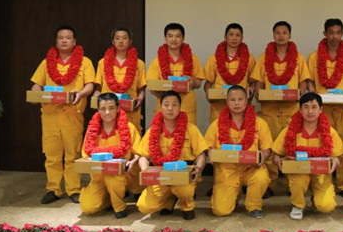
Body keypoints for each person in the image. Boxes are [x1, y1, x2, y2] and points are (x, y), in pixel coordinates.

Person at [30, 25, 95, 205]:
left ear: (74, 41)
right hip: (50, 115)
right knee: (52, 155)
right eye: (60, 38)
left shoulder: (85, 62)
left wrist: (81, 93)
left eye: (68, 38)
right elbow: (37, 84)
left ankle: (74, 189)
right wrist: (35, 92)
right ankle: (53, 189)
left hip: (72, 115)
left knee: (73, 154)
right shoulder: (46, 62)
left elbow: (90, 85)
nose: (64, 41)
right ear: (56, 41)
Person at [251, 21, 311, 196]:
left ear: (290, 35)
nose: (281, 36)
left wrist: (299, 93)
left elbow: (303, 81)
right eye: (278, 32)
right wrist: (259, 93)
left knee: (291, 148)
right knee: (269, 148)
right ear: (273, 35)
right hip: (269, 110)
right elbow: (259, 81)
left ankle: (291, 183)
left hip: (291, 111)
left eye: (284, 32)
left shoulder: (298, 58)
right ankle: (269, 184)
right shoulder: (264, 57)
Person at [307, 18, 343, 199]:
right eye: (331, 32)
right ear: (325, 34)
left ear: (342, 34)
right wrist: (313, 102)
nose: (334, 36)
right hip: (323, 111)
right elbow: (310, 82)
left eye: (338, 32)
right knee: (323, 145)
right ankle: (322, 182)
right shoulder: (314, 56)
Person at [136, 91, 208, 220]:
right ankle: (169, 200)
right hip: (161, 178)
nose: (170, 108)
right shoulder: (152, 131)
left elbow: (201, 154)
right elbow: (143, 156)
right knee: (144, 207)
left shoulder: (191, 129)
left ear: (180, 107)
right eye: (166, 105)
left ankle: (187, 206)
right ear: (161, 107)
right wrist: (145, 170)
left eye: (174, 105)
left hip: (183, 178)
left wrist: (199, 168)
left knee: (184, 191)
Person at [204, 85, 273, 218]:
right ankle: (234, 196)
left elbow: (267, 148)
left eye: (240, 99)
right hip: (227, 171)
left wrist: (263, 156)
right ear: (227, 102)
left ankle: (254, 206)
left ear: (246, 101)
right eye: (233, 100)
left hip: (251, 168)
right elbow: (207, 146)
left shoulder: (259, 123)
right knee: (221, 211)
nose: (236, 103)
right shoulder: (216, 124)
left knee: (261, 177)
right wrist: (209, 153)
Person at [271, 93, 342, 220]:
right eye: (306, 107)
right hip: (298, 172)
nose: (310, 111)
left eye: (314, 107)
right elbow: (276, 155)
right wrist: (279, 162)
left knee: (326, 206)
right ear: (300, 110)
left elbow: (337, 157)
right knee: (299, 180)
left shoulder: (329, 131)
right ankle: (297, 205)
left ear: (321, 109)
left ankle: (316, 198)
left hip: (321, 174)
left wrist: (335, 162)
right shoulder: (289, 130)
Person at [79, 93, 141, 218]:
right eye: (103, 109)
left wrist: (133, 162)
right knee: (88, 207)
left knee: (112, 178)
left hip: (122, 174)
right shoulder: (92, 130)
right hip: (99, 177)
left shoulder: (129, 128)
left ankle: (119, 207)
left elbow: (139, 152)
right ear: (98, 110)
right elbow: (85, 153)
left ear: (118, 108)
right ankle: (108, 197)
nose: (107, 112)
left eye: (111, 108)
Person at [146, 23, 205, 125]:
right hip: (165, 108)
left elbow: (199, 83)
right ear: (165, 38)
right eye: (170, 36)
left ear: (183, 38)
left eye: (177, 36)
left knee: (188, 133)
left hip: (187, 107)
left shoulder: (193, 58)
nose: (174, 39)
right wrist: (160, 91)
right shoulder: (156, 61)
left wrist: (193, 82)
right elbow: (152, 85)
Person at [93, 27, 147, 132]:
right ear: (113, 42)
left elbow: (142, 88)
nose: (121, 41)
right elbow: (98, 87)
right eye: (117, 38)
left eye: (124, 38)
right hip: (108, 111)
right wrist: (95, 100)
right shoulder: (102, 62)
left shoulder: (139, 64)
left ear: (130, 41)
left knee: (131, 138)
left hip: (130, 111)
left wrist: (139, 100)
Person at [204, 23, 256, 123]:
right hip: (218, 109)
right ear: (225, 37)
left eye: (237, 35)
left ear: (242, 38)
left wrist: (250, 95)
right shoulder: (214, 58)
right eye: (231, 35)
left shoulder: (250, 58)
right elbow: (208, 83)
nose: (234, 38)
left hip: (242, 109)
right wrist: (209, 95)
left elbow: (253, 82)